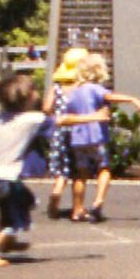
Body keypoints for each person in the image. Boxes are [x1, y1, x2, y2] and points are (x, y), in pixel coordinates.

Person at [62, 53, 140, 223]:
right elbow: (109, 97)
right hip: (96, 135)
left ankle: (77, 209)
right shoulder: (94, 88)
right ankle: (98, 200)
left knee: (81, 173)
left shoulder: (73, 92)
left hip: (78, 137)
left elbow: (68, 113)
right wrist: (132, 99)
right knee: (103, 168)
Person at [0, 75, 51, 267]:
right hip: (6, 178)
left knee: (22, 203)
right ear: (26, 98)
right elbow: (63, 120)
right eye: (34, 90)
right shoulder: (32, 119)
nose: (37, 94)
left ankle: (8, 242)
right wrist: (96, 117)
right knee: (14, 220)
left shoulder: (1, 119)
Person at [43, 48, 87, 219]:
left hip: (59, 132)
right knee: (78, 171)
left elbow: (46, 108)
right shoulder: (81, 87)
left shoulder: (57, 88)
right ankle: (78, 208)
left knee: (62, 170)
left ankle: (55, 196)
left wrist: (55, 115)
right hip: (78, 131)